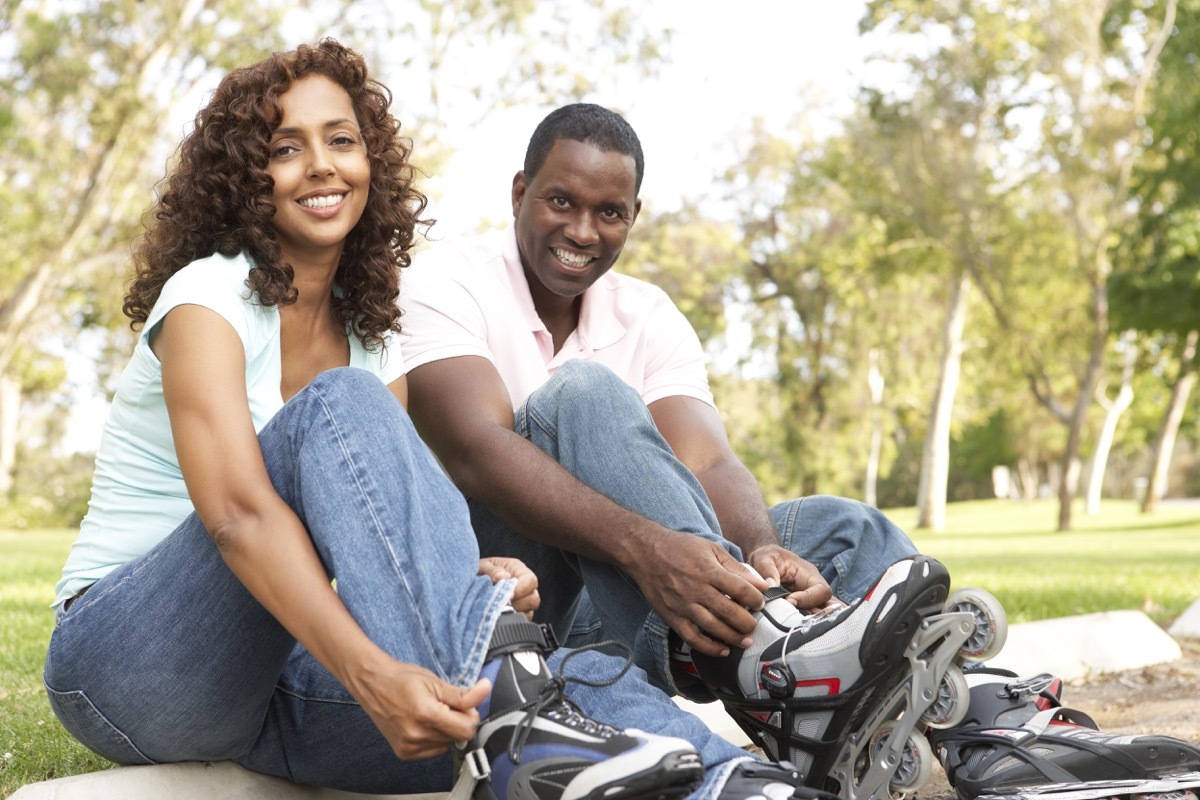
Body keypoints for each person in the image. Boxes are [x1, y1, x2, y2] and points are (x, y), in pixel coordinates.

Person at [42, 46, 833, 800]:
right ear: (247, 177)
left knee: (564, 670)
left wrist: (480, 584)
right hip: (135, 664)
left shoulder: (372, 332)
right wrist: (374, 675)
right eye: (287, 148)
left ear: (371, 163)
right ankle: (520, 715)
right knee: (342, 403)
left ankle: (732, 774)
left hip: (284, 678)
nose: (322, 164)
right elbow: (242, 518)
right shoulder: (208, 299)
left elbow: (381, 535)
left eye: (342, 140)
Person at [397, 102, 1200, 796]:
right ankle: (769, 661)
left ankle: (975, 730)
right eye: (561, 202)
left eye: (609, 212)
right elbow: (475, 449)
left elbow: (705, 461)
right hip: (512, 602)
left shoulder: (645, 312)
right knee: (580, 396)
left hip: (647, 607)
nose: (582, 230)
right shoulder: (449, 282)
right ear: (519, 193)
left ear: (633, 216)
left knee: (845, 533)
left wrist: (763, 549)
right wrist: (653, 550)